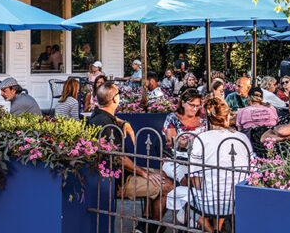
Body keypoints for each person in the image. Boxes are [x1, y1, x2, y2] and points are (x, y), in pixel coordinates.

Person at [88, 83, 173, 230]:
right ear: (114, 99)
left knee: (162, 174)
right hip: (118, 182)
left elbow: (111, 118)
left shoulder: (98, 116)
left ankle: (145, 222)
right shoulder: (107, 125)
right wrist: (143, 173)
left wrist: (124, 123)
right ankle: (151, 227)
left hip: (120, 174)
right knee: (168, 186)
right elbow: (119, 158)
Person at [166, 96, 251, 232]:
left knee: (181, 197)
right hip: (238, 200)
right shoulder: (242, 138)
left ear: (208, 118)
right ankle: (216, 229)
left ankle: (211, 230)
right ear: (228, 116)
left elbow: (196, 180)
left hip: (209, 202)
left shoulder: (202, 138)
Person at [161, 90, 206, 182]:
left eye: (197, 106)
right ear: (183, 103)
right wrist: (190, 142)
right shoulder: (173, 118)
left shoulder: (203, 119)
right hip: (176, 160)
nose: (195, 109)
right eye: (192, 105)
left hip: (200, 160)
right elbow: (171, 141)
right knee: (189, 180)